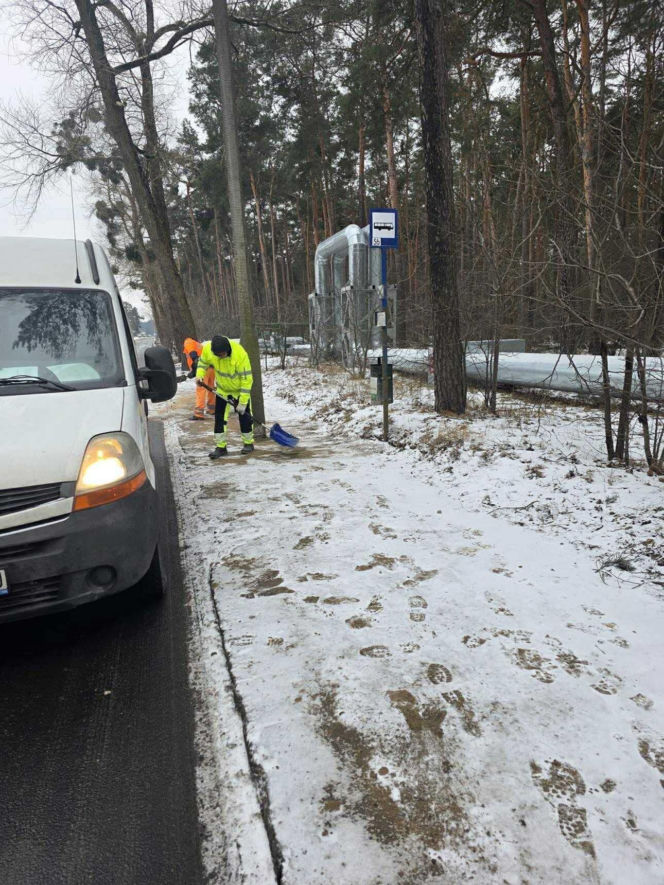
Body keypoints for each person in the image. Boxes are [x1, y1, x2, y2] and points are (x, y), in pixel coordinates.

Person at [196, 335, 254, 458]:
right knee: (219, 418)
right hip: (222, 390)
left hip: (239, 391)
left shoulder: (240, 354)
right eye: (218, 355)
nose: (220, 356)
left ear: (227, 350)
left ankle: (248, 443)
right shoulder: (208, 350)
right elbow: (202, 363)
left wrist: (242, 402)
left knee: (245, 417)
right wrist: (200, 375)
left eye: (222, 354)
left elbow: (247, 380)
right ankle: (221, 447)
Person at [182, 337, 216, 420]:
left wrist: (195, 370)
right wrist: (193, 372)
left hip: (203, 369)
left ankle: (199, 414)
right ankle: (212, 409)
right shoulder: (198, 345)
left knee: (200, 389)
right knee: (210, 388)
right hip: (211, 369)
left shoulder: (188, 341)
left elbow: (194, 357)